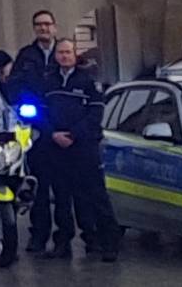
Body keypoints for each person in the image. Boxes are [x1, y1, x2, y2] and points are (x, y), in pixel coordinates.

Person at [40, 39, 118, 262]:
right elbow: (40, 114)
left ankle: (107, 243)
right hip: (56, 146)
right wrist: (52, 134)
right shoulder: (49, 82)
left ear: (75, 55)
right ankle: (62, 243)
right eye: (60, 52)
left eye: (68, 52)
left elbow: (95, 115)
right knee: (61, 198)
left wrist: (73, 135)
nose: (64, 56)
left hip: (83, 147)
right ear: (56, 56)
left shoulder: (88, 82)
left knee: (95, 195)